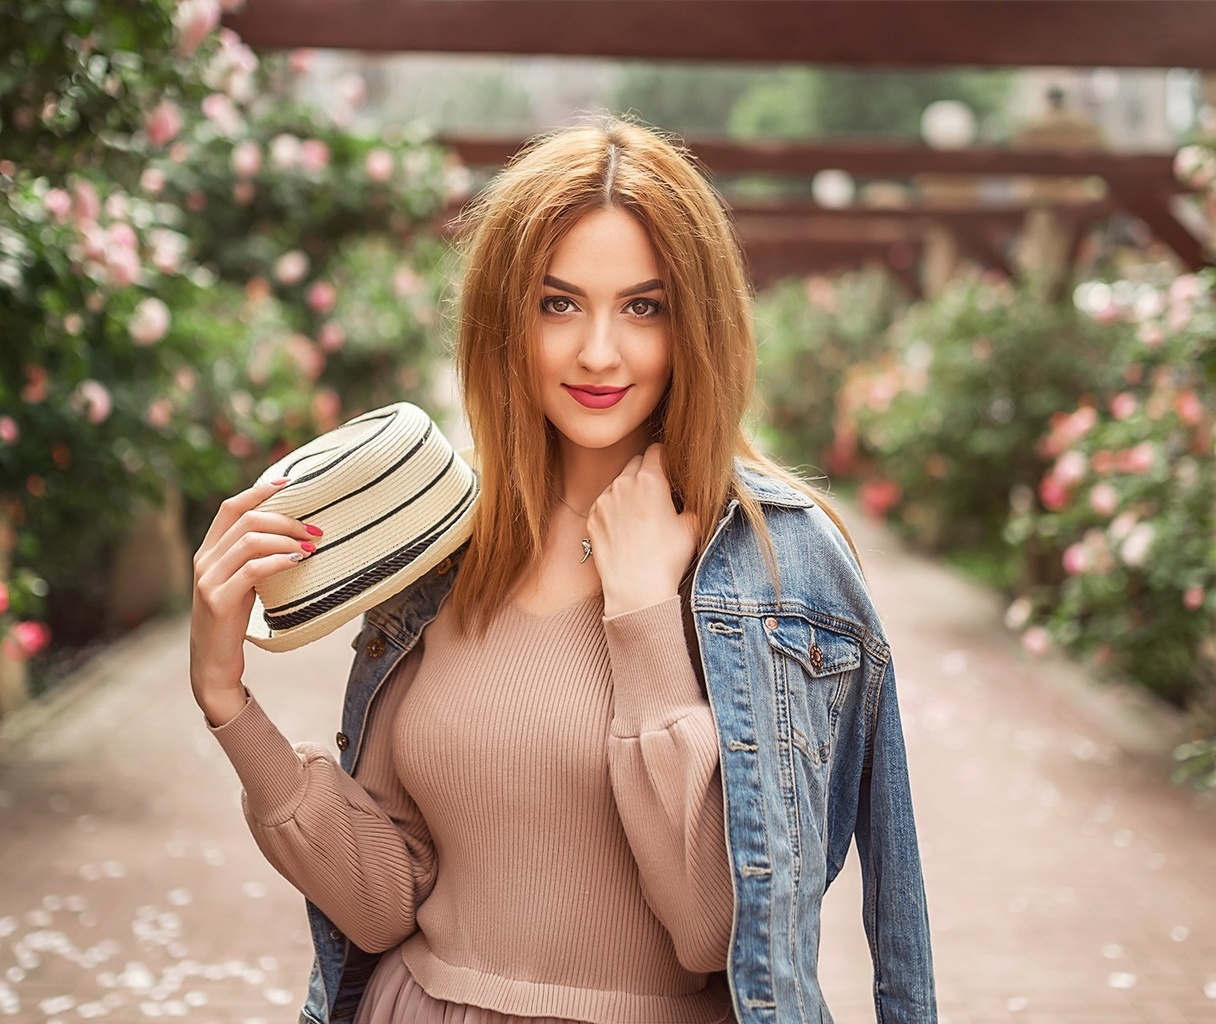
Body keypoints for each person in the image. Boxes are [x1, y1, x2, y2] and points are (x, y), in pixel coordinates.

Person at [189, 117, 937, 1024]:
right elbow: (387, 903)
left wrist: (645, 617)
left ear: (696, 323)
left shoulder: (781, 570)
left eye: (643, 306)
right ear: (506, 318)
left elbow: (713, 929)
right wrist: (229, 701)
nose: (597, 353)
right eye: (558, 303)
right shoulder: (447, 553)